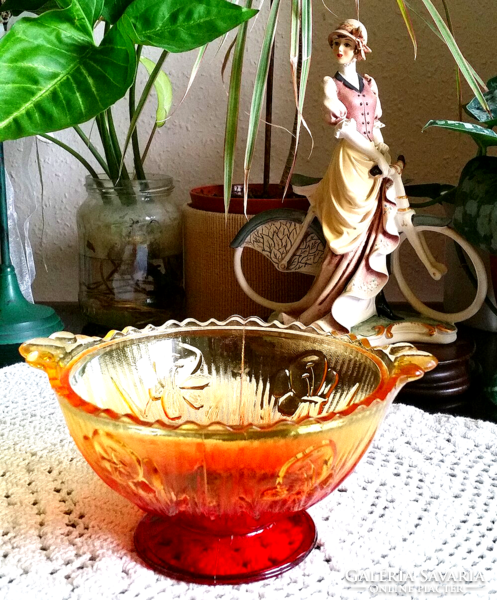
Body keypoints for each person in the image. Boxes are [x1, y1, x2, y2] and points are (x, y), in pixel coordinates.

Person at [284, 19, 400, 332]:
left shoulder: (370, 84)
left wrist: (382, 147)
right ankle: (332, 301)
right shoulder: (330, 84)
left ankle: (366, 302)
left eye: (347, 44)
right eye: (337, 43)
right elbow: (345, 129)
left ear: (358, 50)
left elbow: (374, 124)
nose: (340, 49)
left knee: (374, 232)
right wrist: (376, 155)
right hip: (351, 166)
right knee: (349, 236)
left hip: (373, 162)